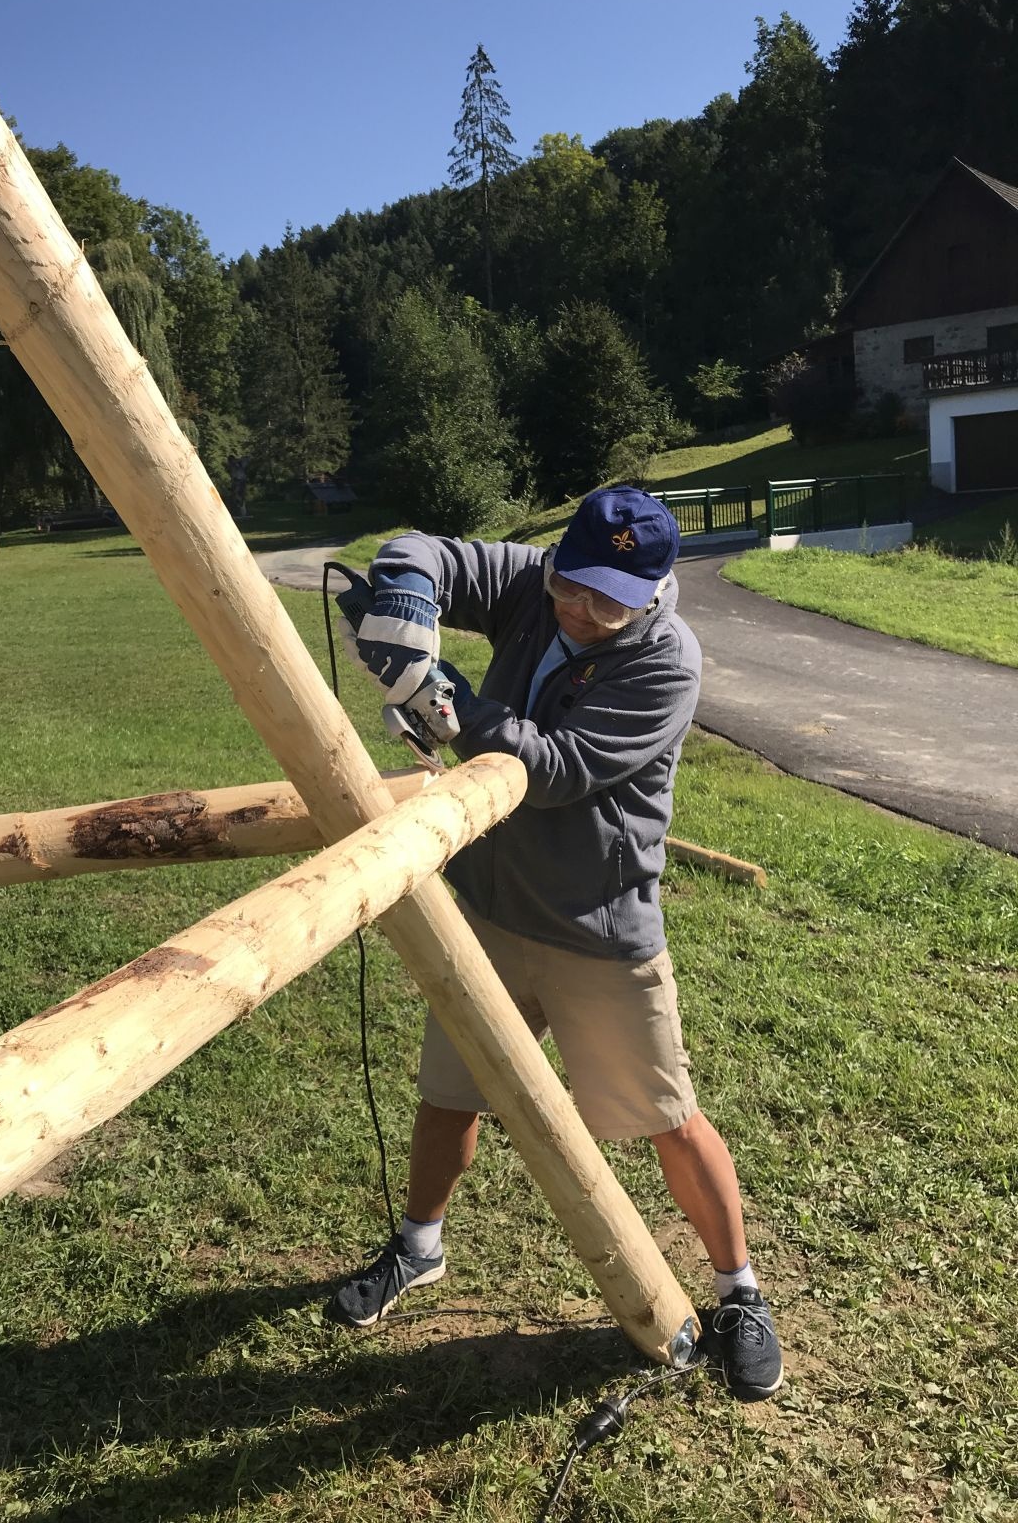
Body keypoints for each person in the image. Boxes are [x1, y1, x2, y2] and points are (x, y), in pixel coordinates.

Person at [329, 486, 783, 1403]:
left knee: (667, 1115)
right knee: (450, 1093)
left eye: (608, 602)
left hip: (597, 928)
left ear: (652, 593)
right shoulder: (536, 584)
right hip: (492, 907)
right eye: (571, 586)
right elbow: (428, 548)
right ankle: (419, 1246)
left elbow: (560, 769)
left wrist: (447, 699)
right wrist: (406, 596)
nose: (580, 610)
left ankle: (740, 1293)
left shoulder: (666, 661)